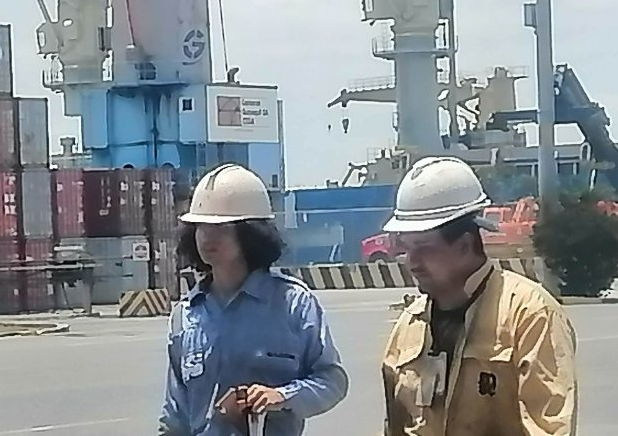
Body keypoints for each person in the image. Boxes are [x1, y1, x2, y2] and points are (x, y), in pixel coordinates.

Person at [380, 157, 578, 435]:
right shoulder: (407, 328)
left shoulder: (529, 316)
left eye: (424, 248)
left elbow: (550, 428)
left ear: (464, 245)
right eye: (407, 249)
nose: (411, 262)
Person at [158, 163, 349, 435]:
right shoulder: (186, 315)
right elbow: (174, 416)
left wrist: (282, 396)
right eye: (201, 226)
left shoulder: (293, 304)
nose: (208, 237)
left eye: (222, 228)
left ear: (250, 234)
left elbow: (332, 380)